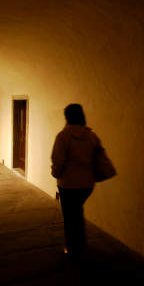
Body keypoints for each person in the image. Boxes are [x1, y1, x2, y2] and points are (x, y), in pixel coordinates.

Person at [51, 103, 102, 258]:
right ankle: (81, 245)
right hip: (87, 184)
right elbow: (97, 157)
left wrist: (56, 173)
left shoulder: (63, 136)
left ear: (67, 117)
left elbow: (58, 160)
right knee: (77, 212)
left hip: (68, 184)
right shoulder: (91, 136)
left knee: (70, 216)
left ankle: (72, 248)